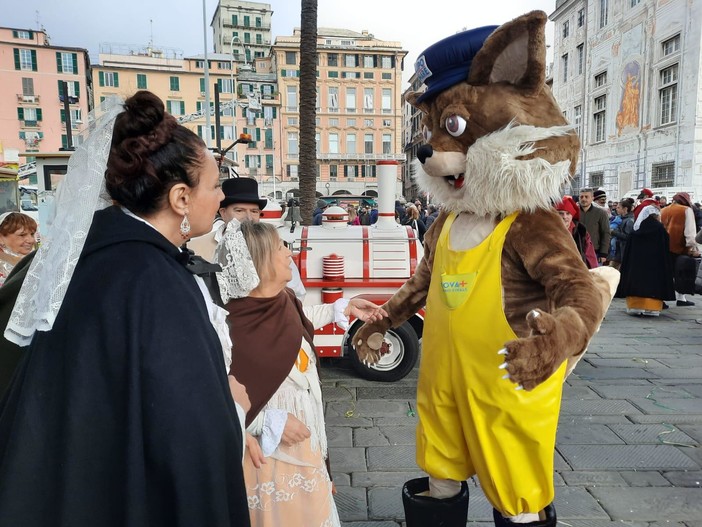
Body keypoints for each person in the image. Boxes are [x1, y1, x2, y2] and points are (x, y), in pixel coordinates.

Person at [0, 91, 252, 526]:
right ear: (180, 198)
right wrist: (235, 407)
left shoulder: (83, 256)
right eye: (214, 185)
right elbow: (189, 429)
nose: (220, 195)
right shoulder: (154, 281)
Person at [215, 220, 386, 527]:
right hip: (266, 458)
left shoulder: (284, 300)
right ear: (259, 262)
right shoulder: (228, 323)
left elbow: (296, 323)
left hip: (305, 438)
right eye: (280, 247)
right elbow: (209, 394)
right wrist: (268, 422)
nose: (288, 254)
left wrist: (343, 309)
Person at [189, 177, 306, 301]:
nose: (249, 217)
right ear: (223, 213)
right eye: (240, 210)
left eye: (254, 211)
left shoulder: (275, 246)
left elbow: (297, 294)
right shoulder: (196, 248)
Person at [617, 205, 675, 316]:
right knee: (653, 282)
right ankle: (651, 308)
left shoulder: (636, 229)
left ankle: (636, 306)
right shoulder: (659, 229)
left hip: (637, 265)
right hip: (655, 265)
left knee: (637, 281)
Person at [660, 192, 700, 306]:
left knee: (665, 273)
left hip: (664, 247)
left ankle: (661, 299)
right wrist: (693, 247)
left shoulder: (664, 210)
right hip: (680, 247)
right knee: (682, 273)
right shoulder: (686, 210)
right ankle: (681, 298)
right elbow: (690, 231)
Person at [555, 196, 598, 269]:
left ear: (572, 215)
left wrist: (593, 271)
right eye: (561, 213)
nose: (564, 217)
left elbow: (590, 255)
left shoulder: (581, 231)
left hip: (578, 270)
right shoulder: (549, 231)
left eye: (568, 213)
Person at [0, 212, 37, 287]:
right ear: (1, 238)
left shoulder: (37, 261)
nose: (31, 240)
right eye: (22, 235)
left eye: (32, 234)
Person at [578, 187, 611, 264]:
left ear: (592, 198)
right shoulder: (573, 212)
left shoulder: (601, 213)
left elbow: (606, 233)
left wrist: (603, 253)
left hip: (595, 252)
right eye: (581, 197)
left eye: (586, 197)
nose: (584, 199)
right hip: (576, 250)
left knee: (594, 274)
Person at [608, 198, 635, 270]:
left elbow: (627, 237)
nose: (616, 209)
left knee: (614, 270)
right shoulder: (620, 218)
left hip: (623, 250)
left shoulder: (629, 221)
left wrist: (613, 232)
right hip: (618, 250)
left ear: (625, 209)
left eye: (618, 207)